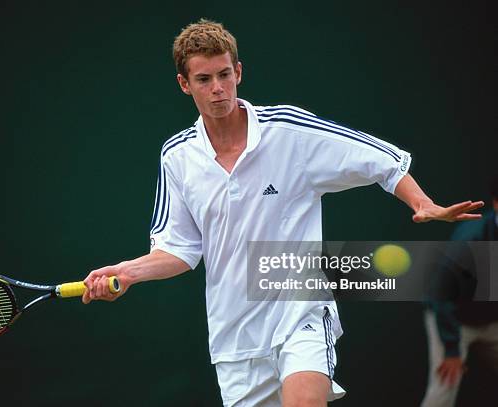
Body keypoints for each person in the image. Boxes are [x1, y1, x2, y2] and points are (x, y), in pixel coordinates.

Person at [82, 19, 483, 407]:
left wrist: (422, 203)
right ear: (185, 85)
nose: (218, 89)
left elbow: (378, 159)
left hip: (300, 311)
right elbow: (181, 250)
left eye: (225, 74)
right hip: (234, 337)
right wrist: (129, 271)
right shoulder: (177, 157)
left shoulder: (289, 130)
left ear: (239, 72)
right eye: (204, 80)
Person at [421, 176, 498, 407]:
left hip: (493, 321)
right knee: (443, 389)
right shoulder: (469, 240)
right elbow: (440, 295)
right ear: (496, 203)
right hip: (453, 321)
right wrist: (452, 350)